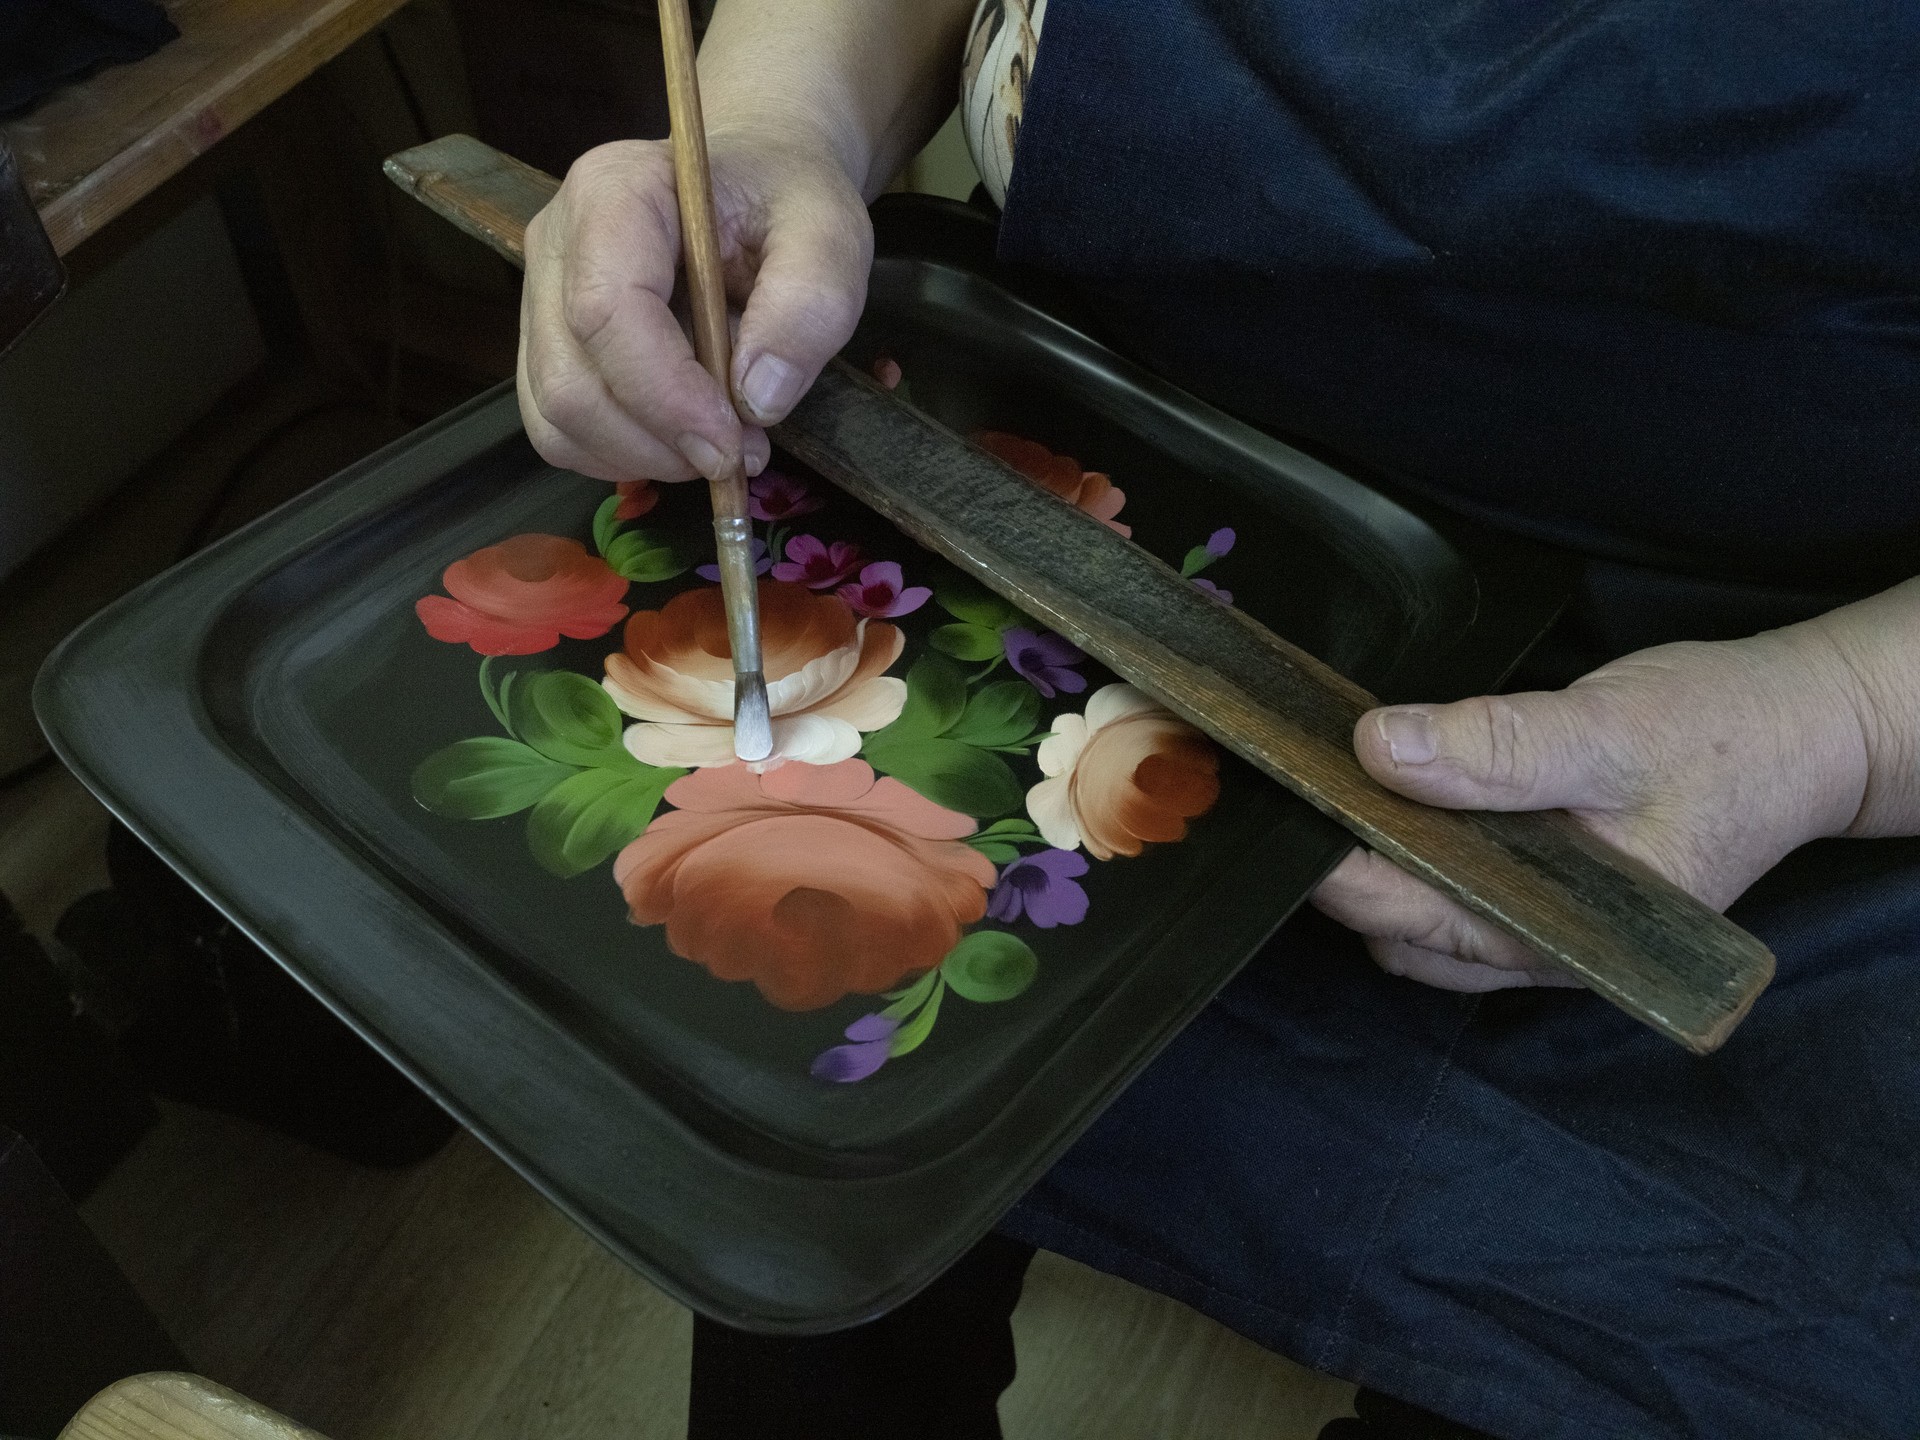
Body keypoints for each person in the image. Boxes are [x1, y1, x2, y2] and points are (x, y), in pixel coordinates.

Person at [515, 1, 1920, 1436]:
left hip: (1768, 686)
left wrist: (1851, 722)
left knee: (1613, 1319)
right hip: (1076, 472)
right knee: (812, 1154)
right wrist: (780, 118)